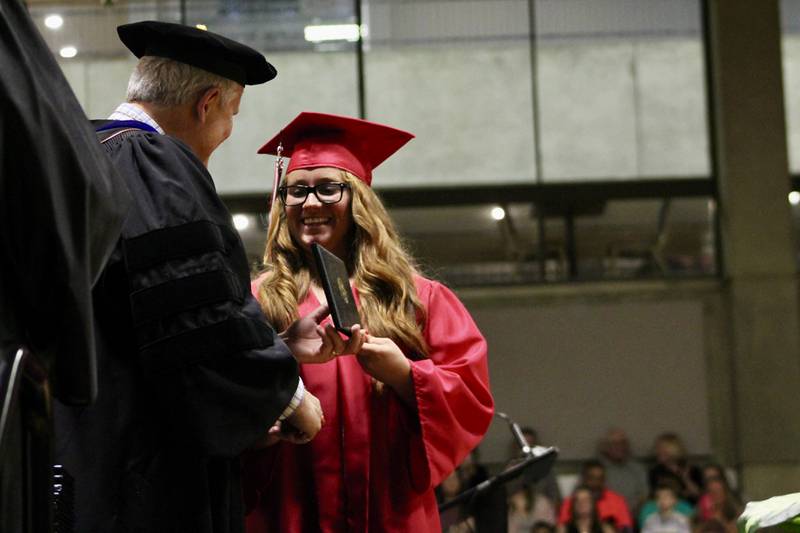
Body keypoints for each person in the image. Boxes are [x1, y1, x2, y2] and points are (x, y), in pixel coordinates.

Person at [53, 21, 340, 533]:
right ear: (206, 103)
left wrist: (274, 344)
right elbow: (189, 317)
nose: (225, 136)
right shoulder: (150, 160)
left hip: (78, 445)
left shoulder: (76, 157)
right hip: (138, 470)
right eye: (230, 117)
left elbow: (141, 318)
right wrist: (288, 394)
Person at [243, 111, 494, 531]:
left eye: (328, 188)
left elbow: (471, 397)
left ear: (358, 200)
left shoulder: (416, 299)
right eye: (297, 191)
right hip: (287, 509)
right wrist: (263, 423)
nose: (310, 203)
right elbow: (216, 395)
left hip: (391, 513)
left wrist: (404, 375)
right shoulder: (256, 300)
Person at [558, 460, 633, 531]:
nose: (596, 483)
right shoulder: (570, 502)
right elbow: (564, 527)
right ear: (584, 478)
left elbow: (626, 529)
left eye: (600, 478)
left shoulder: (617, 501)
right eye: (592, 478)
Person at [597, 428, 648, 517]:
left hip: (634, 517)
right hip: (605, 517)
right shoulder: (596, 469)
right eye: (614, 443)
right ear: (605, 447)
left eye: (623, 443)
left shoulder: (637, 468)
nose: (619, 447)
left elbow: (644, 495)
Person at [648, 432, 703, 505]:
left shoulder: (692, 469)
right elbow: (654, 496)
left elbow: (698, 495)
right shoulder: (655, 472)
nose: (657, 451)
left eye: (661, 448)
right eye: (657, 448)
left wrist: (686, 479)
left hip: (689, 509)